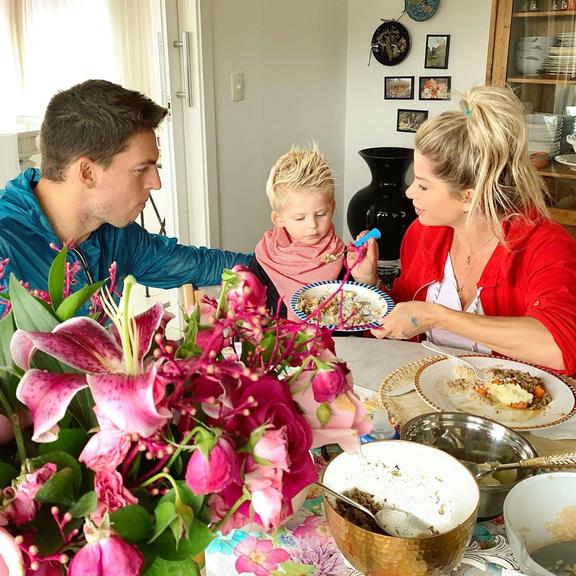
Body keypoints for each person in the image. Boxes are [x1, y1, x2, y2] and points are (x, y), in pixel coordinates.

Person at [370, 85, 576, 374]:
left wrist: (439, 317)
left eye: (423, 185)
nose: (409, 192)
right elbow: (406, 317)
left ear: (468, 196)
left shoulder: (547, 246)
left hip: (514, 412)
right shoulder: (422, 233)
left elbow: (561, 347)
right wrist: (370, 284)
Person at [0, 80, 251, 316]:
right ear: (88, 172)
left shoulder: (117, 235)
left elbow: (200, 265)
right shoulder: (5, 245)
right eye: (142, 169)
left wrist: (281, 258)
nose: (156, 183)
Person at [250, 144, 376, 319]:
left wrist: (367, 280)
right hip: (284, 344)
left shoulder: (343, 258)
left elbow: (362, 316)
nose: (312, 225)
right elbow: (253, 316)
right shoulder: (265, 258)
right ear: (278, 218)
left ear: (332, 208)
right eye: (300, 218)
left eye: (320, 214)